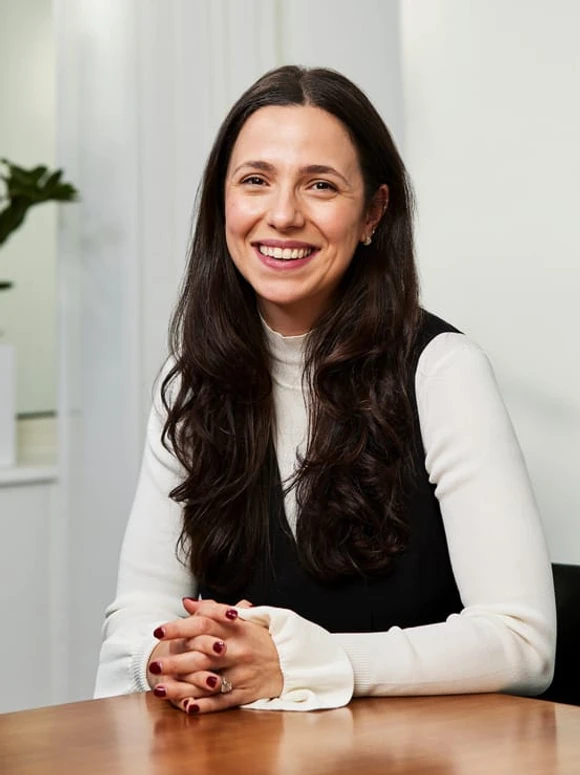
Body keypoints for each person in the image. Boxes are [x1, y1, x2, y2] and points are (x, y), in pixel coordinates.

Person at [95, 66, 556, 715]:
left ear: (372, 213)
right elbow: (140, 610)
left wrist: (294, 662)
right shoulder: (188, 382)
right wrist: (166, 652)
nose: (282, 215)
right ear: (221, 203)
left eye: (320, 185)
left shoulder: (443, 370)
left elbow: (522, 640)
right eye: (255, 180)